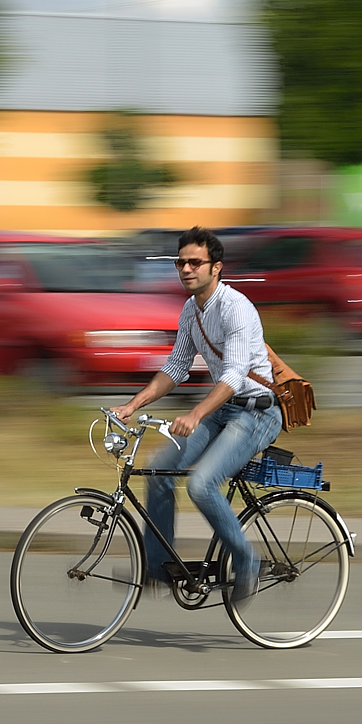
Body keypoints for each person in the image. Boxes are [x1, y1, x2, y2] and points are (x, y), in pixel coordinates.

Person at [108, 226, 281, 605]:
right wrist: (132, 405)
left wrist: (196, 413)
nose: (186, 269)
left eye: (195, 262)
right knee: (157, 471)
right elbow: (176, 367)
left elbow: (235, 375)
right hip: (222, 411)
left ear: (216, 268)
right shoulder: (191, 309)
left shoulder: (236, 308)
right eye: (180, 262)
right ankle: (157, 568)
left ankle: (248, 560)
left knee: (202, 485)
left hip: (256, 414)